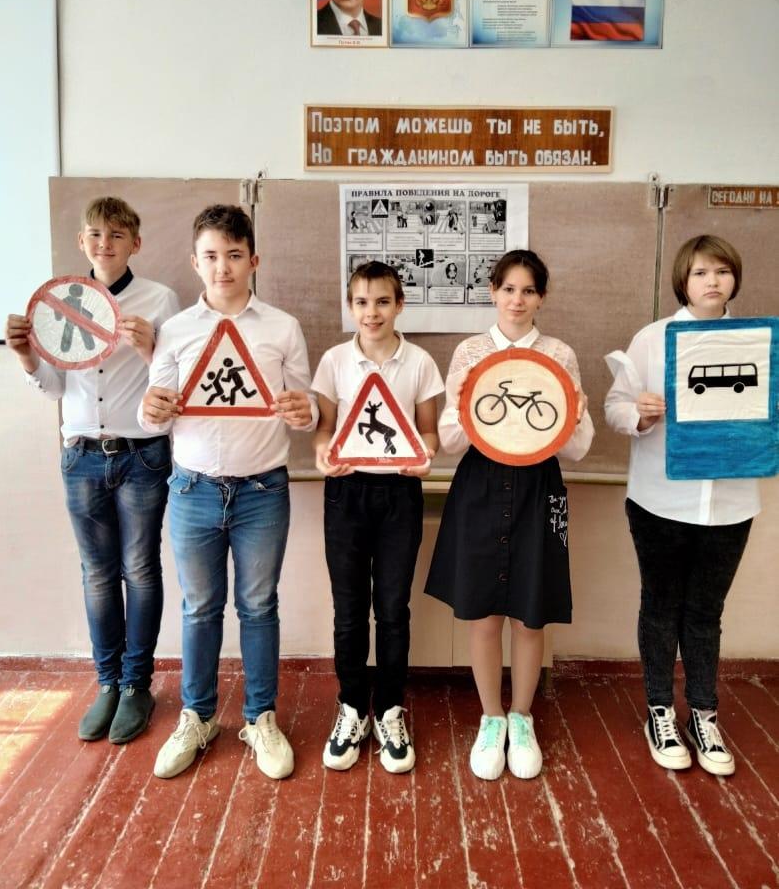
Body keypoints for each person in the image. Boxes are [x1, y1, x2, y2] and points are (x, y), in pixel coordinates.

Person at [140, 204, 317, 781]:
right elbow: (155, 408)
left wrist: (306, 411)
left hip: (263, 489)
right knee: (199, 608)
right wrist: (149, 410)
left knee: (259, 607)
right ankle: (197, 717)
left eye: (235, 256)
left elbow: (306, 407)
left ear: (254, 261)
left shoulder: (283, 327)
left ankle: (261, 717)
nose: (223, 267)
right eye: (212, 256)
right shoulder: (175, 330)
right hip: (191, 487)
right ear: (195, 262)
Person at [4, 197, 179, 745]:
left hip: (142, 453)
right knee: (97, 573)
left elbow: (176, 380)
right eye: (96, 234)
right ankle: (107, 683)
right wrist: (27, 357)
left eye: (117, 234)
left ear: (135, 244)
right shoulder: (60, 304)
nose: (105, 243)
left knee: (140, 569)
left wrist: (151, 349)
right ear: (82, 242)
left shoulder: (160, 299)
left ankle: (136, 685)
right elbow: (54, 388)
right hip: (81, 454)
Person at [425, 250, 593, 780]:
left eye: (528, 290)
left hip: (537, 488)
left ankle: (522, 718)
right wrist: (459, 400)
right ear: (492, 292)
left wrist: (576, 411)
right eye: (508, 289)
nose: (517, 300)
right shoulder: (470, 351)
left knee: (529, 613)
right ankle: (491, 718)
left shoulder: (559, 354)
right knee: (482, 613)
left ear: (542, 296)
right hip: (480, 486)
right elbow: (451, 442)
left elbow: (578, 449)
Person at [604, 235, 760, 777]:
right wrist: (640, 413)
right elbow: (615, 407)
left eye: (721, 271)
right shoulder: (653, 339)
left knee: (705, 612)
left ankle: (703, 714)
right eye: (699, 273)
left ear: (734, 278)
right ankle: (660, 712)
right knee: (660, 607)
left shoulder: (757, 342)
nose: (712, 281)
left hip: (731, 503)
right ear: (682, 281)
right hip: (659, 500)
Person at [312, 261, 443, 773]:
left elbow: (428, 432)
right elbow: (325, 430)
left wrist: (424, 456)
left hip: (399, 494)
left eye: (383, 301)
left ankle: (389, 709)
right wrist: (323, 453)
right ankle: (351, 707)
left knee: (392, 609)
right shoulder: (334, 361)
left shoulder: (420, 362)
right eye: (362, 302)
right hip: (345, 493)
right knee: (348, 609)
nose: (372, 312)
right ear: (350, 307)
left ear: (399, 305)